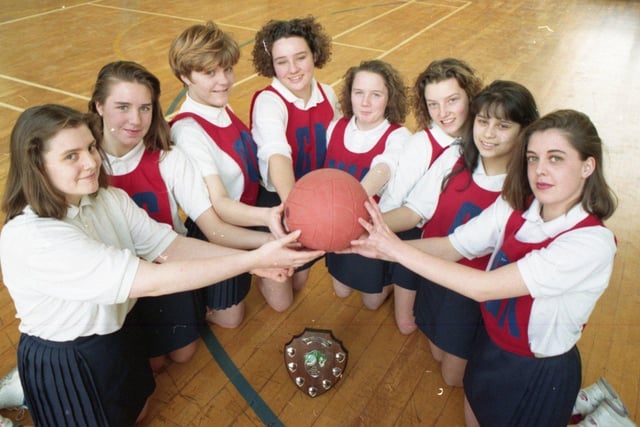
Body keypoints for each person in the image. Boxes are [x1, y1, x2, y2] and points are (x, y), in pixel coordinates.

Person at [0, 104, 323, 425]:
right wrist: (253, 259)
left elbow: (170, 246)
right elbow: (152, 280)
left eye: (90, 148)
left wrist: (255, 264)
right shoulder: (34, 237)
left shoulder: (106, 199)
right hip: (67, 355)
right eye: (71, 156)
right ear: (37, 166)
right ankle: (27, 391)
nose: (91, 162)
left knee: (137, 410)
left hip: (116, 330)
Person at [349, 109, 619, 427]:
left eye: (556, 158)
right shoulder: (517, 204)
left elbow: (484, 287)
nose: (540, 171)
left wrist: (393, 247)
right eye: (533, 158)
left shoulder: (591, 244)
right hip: (490, 342)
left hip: (537, 369)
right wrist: (378, 250)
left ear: (588, 165)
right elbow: (453, 247)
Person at [88, 61, 273, 372]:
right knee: (153, 363)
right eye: (122, 107)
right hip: (118, 279)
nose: (136, 120)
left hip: (168, 266)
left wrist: (270, 246)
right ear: (99, 106)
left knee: (183, 355)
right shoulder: (85, 164)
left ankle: (194, 297)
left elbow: (213, 227)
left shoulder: (168, 158)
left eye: (145, 108)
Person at [383, 80, 539, 386]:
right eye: (483, 121)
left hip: (472, 294)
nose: (489, 134)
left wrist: (381, 244)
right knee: (438, 350)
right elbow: (415, 211)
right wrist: (366, 226)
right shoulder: (456, 155)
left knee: (452, 377)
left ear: (524, 131)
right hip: (433, 274)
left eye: (503, 125)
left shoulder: (524, 190)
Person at [168, 21, 292, 313]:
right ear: (185, 75)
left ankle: (253, 269)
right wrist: (272, 232)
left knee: (282, 302)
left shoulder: (221, 105)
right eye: (209, 72)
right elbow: (220, 205)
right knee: (231, 319)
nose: (223, 80)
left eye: (227, 69)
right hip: (222, 223)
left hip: (251, 208)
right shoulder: (188, 131)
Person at [377, 58, 483, 334]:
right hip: (409, 225)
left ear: (470, 97)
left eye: (451, 101)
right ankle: (398, 298)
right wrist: (377, 229)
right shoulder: (422, 145)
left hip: (451, 229)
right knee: (407, 319)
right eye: (433, 104)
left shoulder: (482, 137)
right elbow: (396, 199)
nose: (443, 112)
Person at [250, 16, 341, 295]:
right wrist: (299, 212)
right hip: (281, 200)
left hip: (313, 200)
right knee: (281, 301)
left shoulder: (327, 93)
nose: (292, 69)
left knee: (299, 283)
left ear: (314, 53)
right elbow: (278, 157)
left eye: (300, 57)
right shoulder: (268, 102)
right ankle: (255, 265)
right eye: (281, 62)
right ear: (271, 65)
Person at [323, 59, 411, 309]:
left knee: (372, 303)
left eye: (376, 94)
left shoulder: (399, 136)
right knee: (341, 291)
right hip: (337, 230)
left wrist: (350, 204)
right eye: (358, 93)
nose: (365, 102)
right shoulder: (335, 128)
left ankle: (394, 271)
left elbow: (384, 166)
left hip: (369, 231)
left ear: (389, 98)